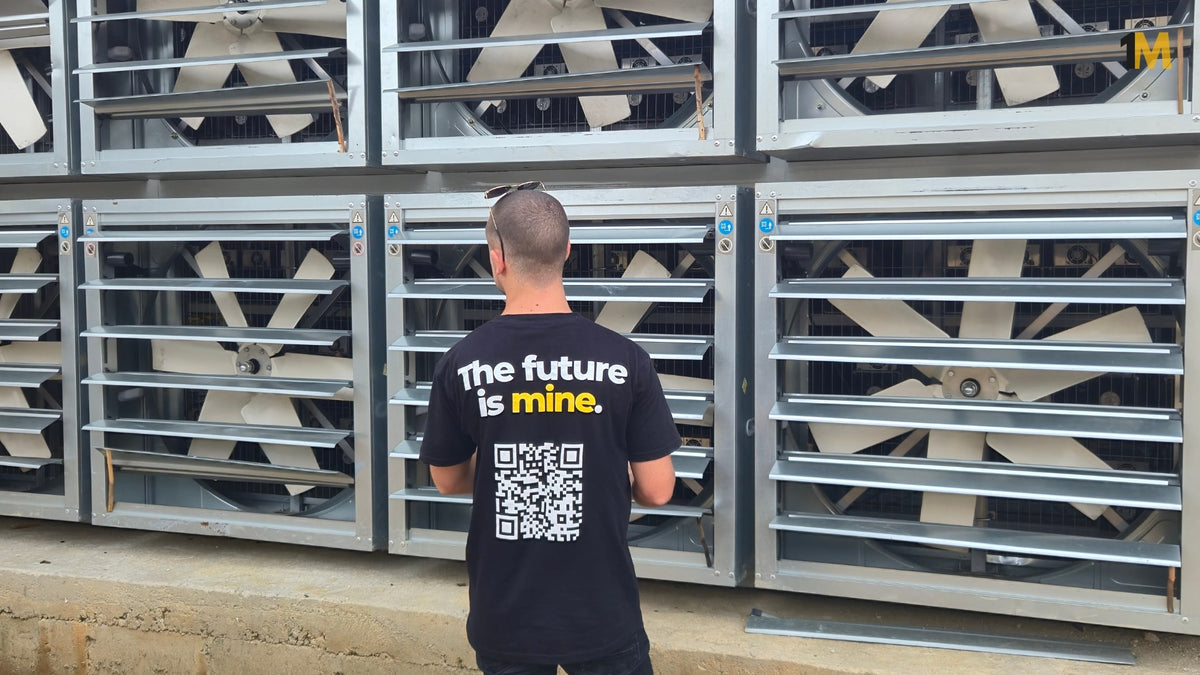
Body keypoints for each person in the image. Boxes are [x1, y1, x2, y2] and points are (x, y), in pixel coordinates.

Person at [420, 182, 679, 675]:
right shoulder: (626, 360)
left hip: (506, 618)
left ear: (496, 259)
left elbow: (448, 480)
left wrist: (507, 465)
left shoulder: (461, 363)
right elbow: (658, 490)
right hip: (602, 615)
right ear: (567, 252)